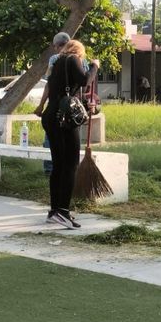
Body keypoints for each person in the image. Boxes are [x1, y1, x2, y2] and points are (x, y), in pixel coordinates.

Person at [39, 40, 99, 229]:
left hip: (51, 115)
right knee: (70, 164)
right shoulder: (73, 59)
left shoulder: (57, 62)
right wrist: (94, 66)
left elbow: (66, 88)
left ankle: (54, 211)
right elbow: (84, 80)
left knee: (58, 165)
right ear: (79, 52)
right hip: (63, 119)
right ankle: (63, 212)